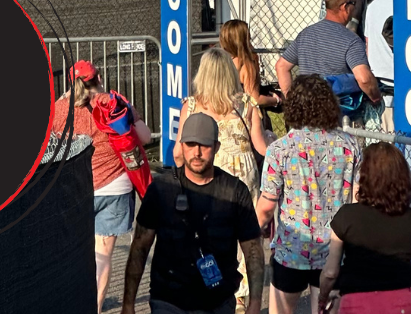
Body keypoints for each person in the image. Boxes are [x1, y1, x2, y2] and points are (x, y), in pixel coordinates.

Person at [123, 112, 264, 314]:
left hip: (218, 302)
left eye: (204, 146)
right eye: (190, 144)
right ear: (181, 145)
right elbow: (140, 246)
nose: (196, 152)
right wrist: (128, 305)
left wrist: (256, 303)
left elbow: (253, 250)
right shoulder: (161, 189)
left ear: (216, 147)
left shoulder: (235, 191)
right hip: (168, 300)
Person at [52, 60, 152, 312]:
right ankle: (94, 308)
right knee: (103, 255)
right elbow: (146, 137)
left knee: (74, 251)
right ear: (98, 78)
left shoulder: (59, 109)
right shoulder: (115, 104)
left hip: (74, 190)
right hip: (114, 188)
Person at [256, 75, 360, 314]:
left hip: (291, 250)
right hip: (335, 252)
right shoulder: (350, 146)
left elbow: (266, 207)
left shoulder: (280, 149)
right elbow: (357, 201)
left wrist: (247, 236)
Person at [176, 48, 269, 308]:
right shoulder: (247, 103)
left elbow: (177, 152)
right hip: (243, 177)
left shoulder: (191, 105)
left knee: (205, 236)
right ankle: (241, 297)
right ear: (230, 72)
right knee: (246, 240)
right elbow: (260, 146)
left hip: (206, 177)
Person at [318, 142, 411, 314]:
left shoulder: (346, 216)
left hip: (355, 304)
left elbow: (330, 272)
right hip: (400, 304)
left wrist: (322, 299)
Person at [276, 0, 382, 111]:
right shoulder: (351, 40)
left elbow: (281, 66)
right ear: (344, 7)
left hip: (307, 111)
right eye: (354, 3)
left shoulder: (306, 34)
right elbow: (364, 79)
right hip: (337, 114)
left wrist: (292, 101)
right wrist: (375, 98)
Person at [219, 20, 281, 109]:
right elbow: (254, 99)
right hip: (243, 114)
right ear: (244, 40)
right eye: (248, 37)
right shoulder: (246, 66)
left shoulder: (221, 62)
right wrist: (276, 100)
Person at [362, 0, 394, 130]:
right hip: (403, 83)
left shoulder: (374, 5)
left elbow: (368, 43)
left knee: (383, 143)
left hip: (379, 80)